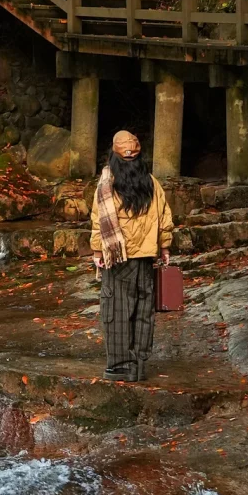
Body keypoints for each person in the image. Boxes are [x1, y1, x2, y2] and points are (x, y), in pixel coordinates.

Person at [89, 128, 173, 382]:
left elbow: (98, 221)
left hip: (118, 258)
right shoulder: (151, 182)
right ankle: (139, 364)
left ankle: (119, 365)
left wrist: (96, 251)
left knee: (116, 310)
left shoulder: (106, 185)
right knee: (143, 310)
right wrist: (165, 246)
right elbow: (164, 217)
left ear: (113, 156)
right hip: (146, 257)